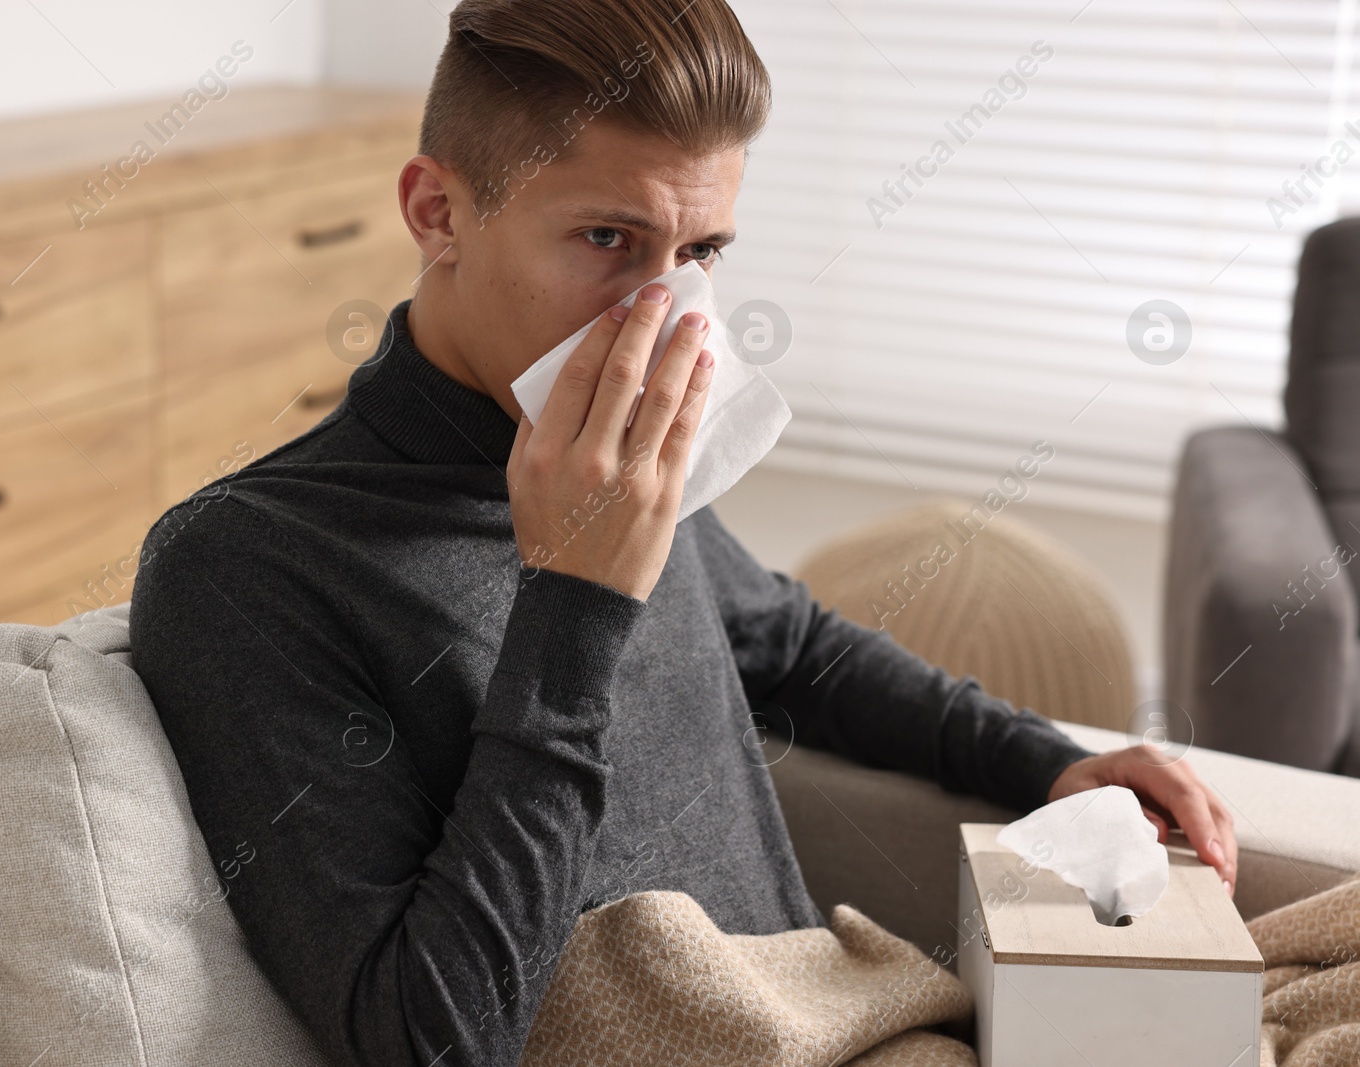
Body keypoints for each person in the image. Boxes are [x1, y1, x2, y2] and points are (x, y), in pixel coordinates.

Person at [128, 2, 1238, 1064]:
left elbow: (793, 645)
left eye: (701, 252)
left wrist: (1055, 762)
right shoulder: (247, 565)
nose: (664, 316)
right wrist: (574, 601)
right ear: (436, 212)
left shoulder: (621, 464)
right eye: (606, 237)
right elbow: (432, 1038)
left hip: (863, 1025)